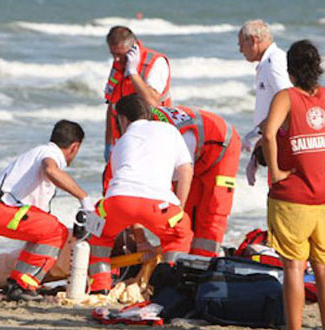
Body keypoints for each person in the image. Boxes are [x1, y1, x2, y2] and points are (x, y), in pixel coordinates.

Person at [0, 120, 93, 301]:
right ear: (75, 146)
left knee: (43, 231)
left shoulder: (35, 153)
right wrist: (84, 198)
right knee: (56, 231)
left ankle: (17, 285)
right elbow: (50, 168)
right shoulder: (51, 153)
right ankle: (24, 284)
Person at [88, 94, 193, 294]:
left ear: (123, 119)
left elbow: (127, 193)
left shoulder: (122, 142)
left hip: (118, 202)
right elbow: (186, 171)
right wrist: (179, 208)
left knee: (99, 235)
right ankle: (167, 287)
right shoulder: (170, 130)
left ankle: (99, 289)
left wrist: (141, 238)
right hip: (160, 205)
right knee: (179, 236)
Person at [262, 40, 325, 330]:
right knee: (323, 267)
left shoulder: (286, 97)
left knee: (294, 267)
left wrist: (275, 171)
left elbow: (268, 133)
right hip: (323, 196)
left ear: (290, 72)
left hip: (294, 196)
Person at [150, 105, 241, 257]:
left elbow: (180, 182)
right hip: (198, 154)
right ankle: (182, 257)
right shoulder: (141, 129)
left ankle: (203, 263)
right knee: (189, 210)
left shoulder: (175, 138)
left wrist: (175, 218)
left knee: (212, 212)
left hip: (223, 149)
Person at [104, 26, 172, 161]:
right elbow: (111, 106)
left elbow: (152, 101)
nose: (117, 60)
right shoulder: (118, 65)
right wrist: (108, 144)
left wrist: (133, 72)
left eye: (121, 55)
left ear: (133, 49)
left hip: (151, 141)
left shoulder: (155, 63)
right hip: (123, 142)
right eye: (113, 54)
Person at [237, 20, 292, 185]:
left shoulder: (274, 62)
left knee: (279, 194)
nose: (240, 50)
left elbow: (289, 102)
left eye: (241, 44)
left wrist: (256, 136)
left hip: (280, 144)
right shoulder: (266, 63)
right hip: (271, 141)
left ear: (253, 40)